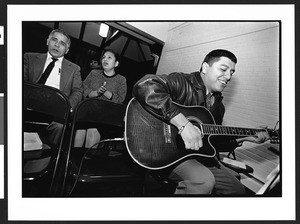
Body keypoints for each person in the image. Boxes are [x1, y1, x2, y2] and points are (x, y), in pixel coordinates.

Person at [132, 49, 269, 195]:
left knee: (236, 189)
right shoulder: (182, 82)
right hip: (164, 151)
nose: (228, 76)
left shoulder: (218, 107)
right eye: (223, 69)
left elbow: (213, 143)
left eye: (232, 72)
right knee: (203, 181)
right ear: (205, 67)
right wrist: (183, 124)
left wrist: (245, 138)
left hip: (195, 155)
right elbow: (144, 85)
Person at [24, 28, 83, 145]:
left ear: (67, 50)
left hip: (56, 111)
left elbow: (77, 91)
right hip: (28, 105)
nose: (57, 45)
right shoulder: (30, 58)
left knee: (60, 126)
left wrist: (67, 107)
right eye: (54, 40)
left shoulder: (74, 68)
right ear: (47, 41)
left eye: (62, 43)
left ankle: (50, 156)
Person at [74, 48, 127, 148]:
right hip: (88, 111)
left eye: (109, 58)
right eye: (103, 57)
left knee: (92, 131)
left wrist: (106, 93)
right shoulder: (94, 73)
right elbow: (83, 87)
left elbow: (121, 99)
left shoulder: (121, 79)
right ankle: (73, 159)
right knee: (80, 130)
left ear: (116, 63)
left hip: (106, 117)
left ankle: (88, 159)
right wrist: (96, 93)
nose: (105, 60)